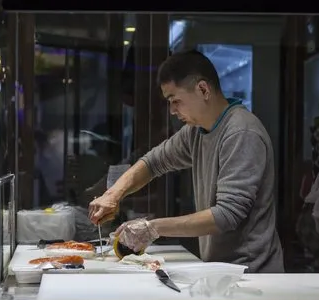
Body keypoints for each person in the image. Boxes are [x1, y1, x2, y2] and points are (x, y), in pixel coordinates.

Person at [89, 49, 284, 273]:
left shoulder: (241, 132)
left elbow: (227, 215)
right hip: (222, 270)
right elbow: (153, 162)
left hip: (252, 273)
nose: (172, 110)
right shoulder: (195, 131)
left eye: (176, 100)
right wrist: (113, 195)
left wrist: (153, 228)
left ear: (203, 89)